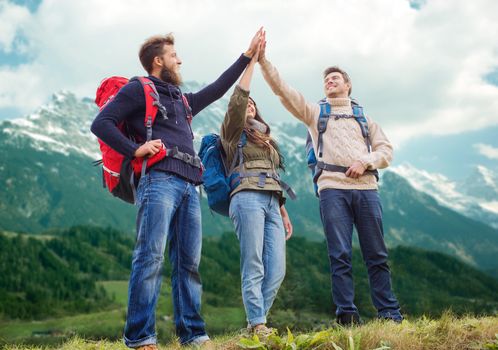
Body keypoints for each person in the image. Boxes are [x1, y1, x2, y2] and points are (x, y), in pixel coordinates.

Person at [91, 29, 263, 349]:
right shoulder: (138, 89)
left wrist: (247, 56)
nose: (179, 60)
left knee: (188, 263)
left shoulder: (182, 100)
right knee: (151, 257)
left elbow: (217, 88)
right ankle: (141, 338)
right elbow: (100, 123)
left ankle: (193, 335)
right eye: (173, 55)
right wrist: (135, 149)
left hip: (189, 185)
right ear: (158, 61)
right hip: (158, 180)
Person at [257, 32, 403, 325]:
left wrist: (367, 160)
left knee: (376, 253)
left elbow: (386, 150)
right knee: (339, 255)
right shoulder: (314, 113)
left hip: (367, 188)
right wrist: (263, 62)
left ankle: (389, 313)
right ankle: (347, 315)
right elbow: (284, 91)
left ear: (348, 85)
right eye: (327, 79)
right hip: (332, 189)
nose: (330, 81)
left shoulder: (365, 119)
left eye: (336, 78)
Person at [220, 44, 293, 335]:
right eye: (246, 104)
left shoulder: (266, 139)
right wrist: (251, 62)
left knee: (276, 269)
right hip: (246, 198)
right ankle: (259, 324)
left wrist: (283, 209)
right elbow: (239, 99)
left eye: (253, 104)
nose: (249, 105)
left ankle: (253, 325)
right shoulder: (232, 132)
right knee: (254, 263)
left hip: (272, 202)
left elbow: (272, 174)